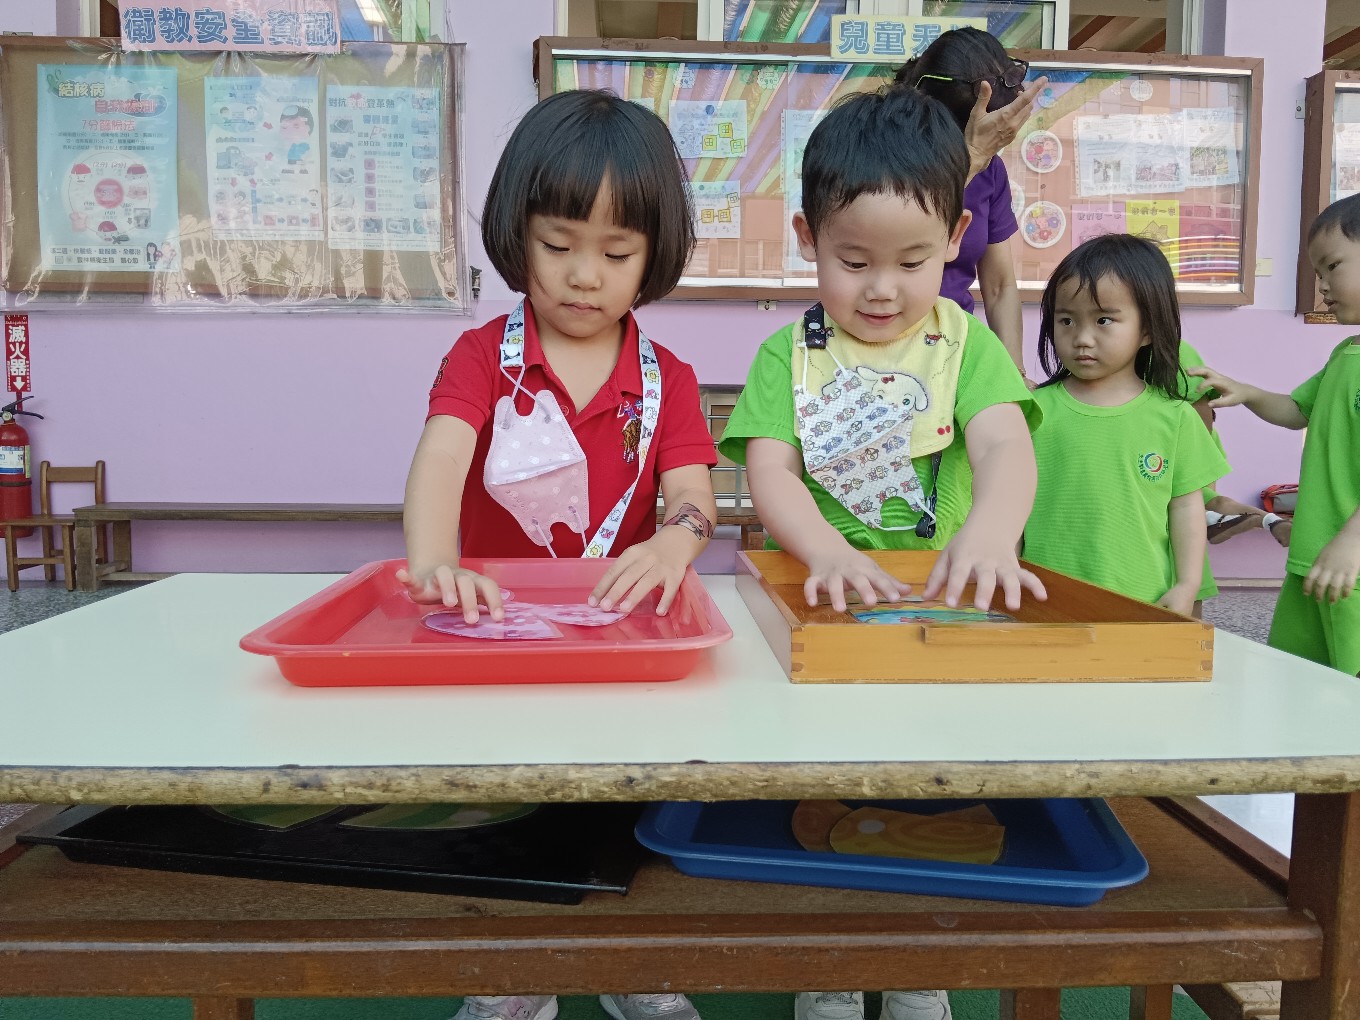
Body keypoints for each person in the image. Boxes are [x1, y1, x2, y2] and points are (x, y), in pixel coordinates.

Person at [719, 84, 1045, 1020]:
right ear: (808, 238)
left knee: (926, 789)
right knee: (819, 786)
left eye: (912, 261)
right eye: (853, 261)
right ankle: (825, 965)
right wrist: (823, 550)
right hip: (820, 613)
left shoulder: (965, 346)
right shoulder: (790, 355)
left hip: (937, 616)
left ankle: (916, 962)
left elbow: (1004, 446)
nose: (882, 289)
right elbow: (772, 471)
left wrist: (992, 531)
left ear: (956, 238)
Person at [400, 89, 719, 1020]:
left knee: (627, 802)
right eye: (557, 244)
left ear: (653, 255)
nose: (584, 276)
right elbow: (438, 461)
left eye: (616, 254)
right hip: (497, 639)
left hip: (621, 642)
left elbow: (694, 499)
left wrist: (677, 536)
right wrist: (434, 562)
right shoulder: (481, 358)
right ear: (517, 234)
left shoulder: (669, 381)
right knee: (507, 803)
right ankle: (515, 973)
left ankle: (630, 963)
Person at [1189, 194, 1360, 675]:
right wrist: (1246, 392)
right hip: (1312, 556)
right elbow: (1296, 410)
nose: (1321, 285)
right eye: (1317, 273)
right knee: (1302, 681)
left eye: (1332, 267)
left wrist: (1352, 542)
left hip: (1350, 561)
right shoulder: (1346, 354)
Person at [1022, 234, 1227, 616]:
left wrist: (1186, 585)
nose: (1082, 338)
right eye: (1066, 320)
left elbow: (1186, 509)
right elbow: (1010, 501)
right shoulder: (1032, 412)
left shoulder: (1175, 418)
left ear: (1147, 328)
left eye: (1103, 320)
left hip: (1143, 600)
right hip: (1044, 599)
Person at [897, 27, 1045, 380]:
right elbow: (901, 236)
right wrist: (972, 158)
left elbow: (999, 285)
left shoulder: (990, 169)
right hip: (885, 345)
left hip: (954, 349)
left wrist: (1013, 374)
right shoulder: (889, 152)